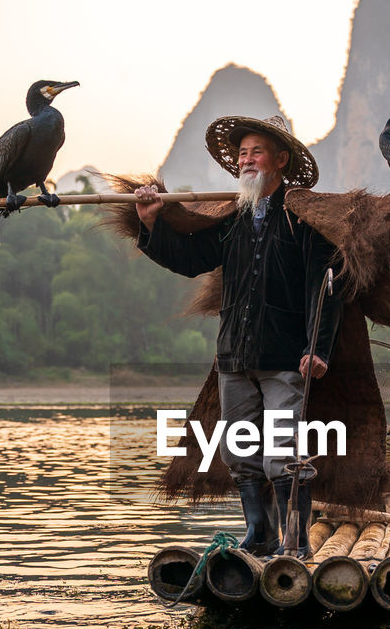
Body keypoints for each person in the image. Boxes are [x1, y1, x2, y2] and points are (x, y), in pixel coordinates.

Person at [135, 115, 341, 558]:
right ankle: (260, 534)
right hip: (234, 356)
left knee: (282, 453)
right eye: (243, 153)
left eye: (257, 152)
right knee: (238, 452)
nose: (247, 160)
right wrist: (151, 223)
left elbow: (323, 287)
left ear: (280, 160)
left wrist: (317, 348)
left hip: (286, 357)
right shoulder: (233, 219)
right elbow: (191, 259)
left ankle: (297, 541)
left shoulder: (303, 220)